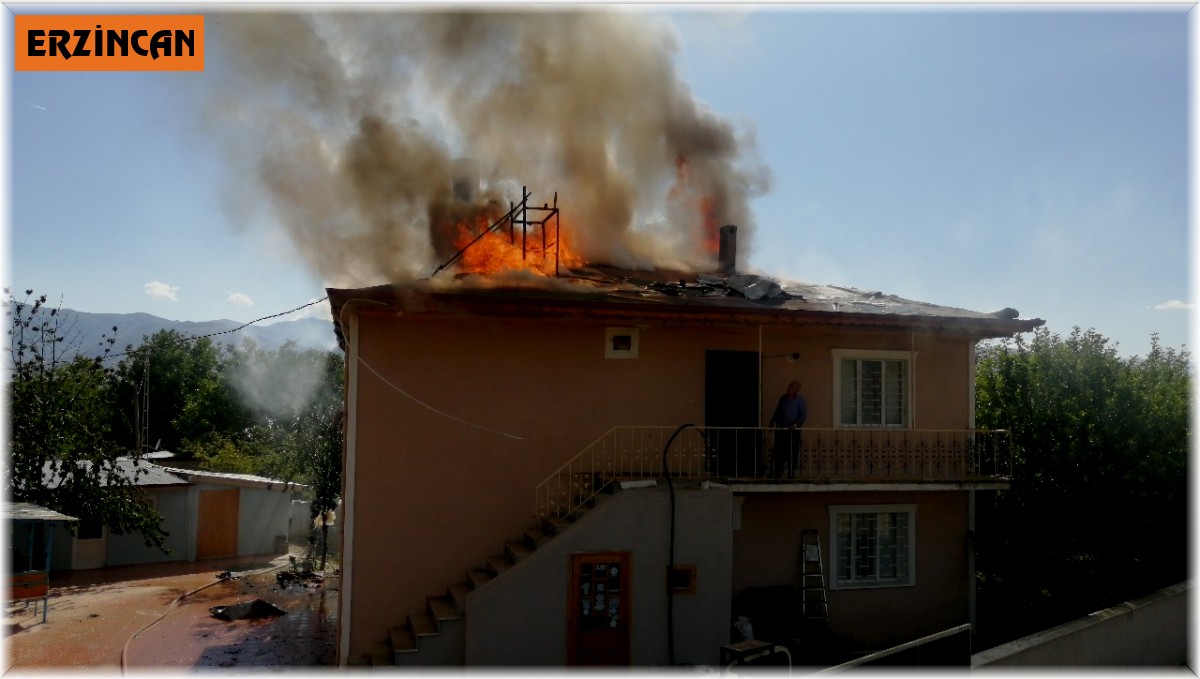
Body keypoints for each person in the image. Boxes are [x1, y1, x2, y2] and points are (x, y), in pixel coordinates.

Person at [769, 380, 807, 478]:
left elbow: (802, 416)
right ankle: (777, 472)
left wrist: (795, 426)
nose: (789, 387)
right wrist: (772, 423)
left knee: (792, 451)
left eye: (791, 386)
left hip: (792, 431)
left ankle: (791, 472)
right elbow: (777, 411)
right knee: (778, 451)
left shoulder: (800, 401)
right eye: (789, 385)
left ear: (796, 390)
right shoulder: (783, 398)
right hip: (781, 429)